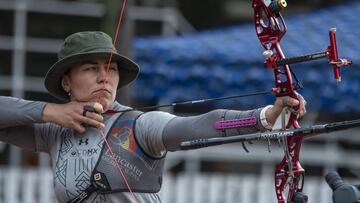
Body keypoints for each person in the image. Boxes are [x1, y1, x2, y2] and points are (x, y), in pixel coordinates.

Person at [0, 31, 306, 203]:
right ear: (67, 82)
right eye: (91, 68)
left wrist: (265, 116)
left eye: (111, 68)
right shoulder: (54, 132)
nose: (104, 78)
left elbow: (195, 126)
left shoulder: (138, 125)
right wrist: (50, 112)